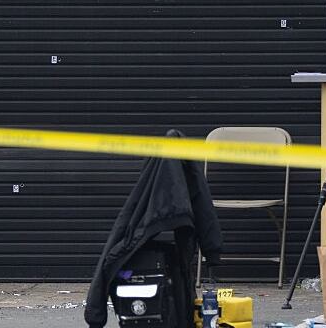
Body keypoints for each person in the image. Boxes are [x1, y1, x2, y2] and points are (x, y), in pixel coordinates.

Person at [84, 129, 222, 328]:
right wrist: (213, 254)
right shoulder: (183, 174)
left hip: (164, 223)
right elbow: (204, 209)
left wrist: (95, 317)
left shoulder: (149, 194)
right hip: (179, 223)